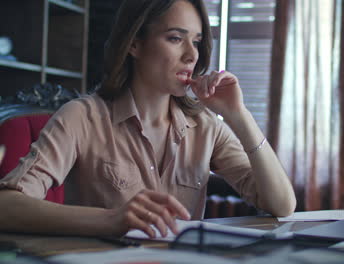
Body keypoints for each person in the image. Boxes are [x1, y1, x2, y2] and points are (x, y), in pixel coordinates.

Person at [0, 0, 296, 238]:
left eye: (197, 41)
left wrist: (238, 115)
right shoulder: (82, 117)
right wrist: (111, 220)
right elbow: (6, 207)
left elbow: (282, 204)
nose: (192, 54)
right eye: (175, 38)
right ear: (134, 44)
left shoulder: (207, 127)